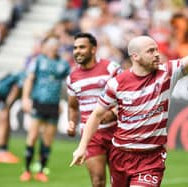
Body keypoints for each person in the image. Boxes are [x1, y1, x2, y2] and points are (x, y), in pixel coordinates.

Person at [70, 10, 188, 187]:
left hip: (151, 158)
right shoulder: (117, 83)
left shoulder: (167, 73)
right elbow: (96, 115)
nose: (157, 54)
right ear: (135, 57)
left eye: (157, 50)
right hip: (120, 155)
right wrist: (82, 147)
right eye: (150, 51)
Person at [66, 32, 120, 187]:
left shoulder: (111, 68)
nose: (77, 51)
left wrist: (113, 113)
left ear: (93, 49)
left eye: (82, 47)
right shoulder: (72, 78)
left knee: (120, 181)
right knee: (98, 181)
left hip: (115, 131)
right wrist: (71, 122)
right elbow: (73, 106)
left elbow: (128, 95)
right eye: (75, 48)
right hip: (91, 135)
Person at [19, 35, 70, 182]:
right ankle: (27, 170)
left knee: (48, 139)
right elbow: (29, 79)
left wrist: (62, 102)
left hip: (53, 105)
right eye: (51, 43)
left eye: (56, 43)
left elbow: (67, 86)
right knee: (33, 136)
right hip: (38, 102)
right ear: (46, 46)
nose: (54, 46)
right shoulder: (38, 61)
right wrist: (25, 98)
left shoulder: (63, 64)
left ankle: (41, 170)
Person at [0, 71, 25, 164]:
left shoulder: (22, 73)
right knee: (3, 123)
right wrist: (7, 106)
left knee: (6, 123)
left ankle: (4, 151)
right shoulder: (27, 75)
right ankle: (1, 153)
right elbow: (16, 89)